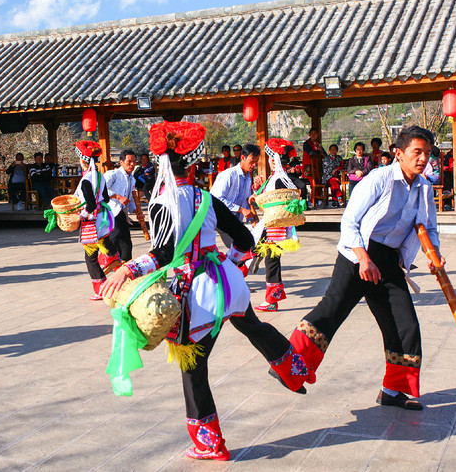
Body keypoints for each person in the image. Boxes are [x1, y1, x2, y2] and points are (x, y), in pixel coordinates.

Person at [100, 121, 306, 461]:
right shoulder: (206, 198)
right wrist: (231, 262)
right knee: (251, 325)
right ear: (194, 164)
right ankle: (295, 369)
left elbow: (164, 252)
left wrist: (127, 268)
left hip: (194, 296)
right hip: (227, 282)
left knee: (193, 367)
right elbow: (242, 239)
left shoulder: (163, 202)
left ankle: (210, 443)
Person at [283, 126, 442, 410]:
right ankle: (289, 366)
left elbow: (429, 227)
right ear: (399, 153)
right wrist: (364, 259)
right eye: (417, 152)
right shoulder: (378, 179)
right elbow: (349, 221)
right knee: (333, 310)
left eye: (427, 154)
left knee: (403, 323)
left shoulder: (424, 187)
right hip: (358, 253)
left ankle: (394, 390)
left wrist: (435, 255)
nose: (423, 159)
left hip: (390, 260)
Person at [249, 138, 305, 311]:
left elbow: (273, 201)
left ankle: (270, 300)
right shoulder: (278, 177)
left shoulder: (279, 178)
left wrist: (257, 198)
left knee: (268, 259)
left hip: (274, 225)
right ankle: (271, 298)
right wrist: (258, 189)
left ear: (275, 160)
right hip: (272, 224)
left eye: (270, 158)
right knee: (267, 258)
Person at [73, 140, 120, 300]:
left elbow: (90, 205)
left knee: (90, 256)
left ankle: (101, 288)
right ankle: (119, 266)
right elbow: (105, 198)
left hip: (92, 221)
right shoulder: (100, 176)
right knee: (105, 244)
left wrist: (79, 214)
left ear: (82, 161)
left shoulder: (86, 180)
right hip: (104, 219)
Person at [210, 144, 262, 250]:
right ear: (243, 158)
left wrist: (253, 218)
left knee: (249, 246)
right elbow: (216, 200)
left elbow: (246, 200)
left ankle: (233, 265)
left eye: (256, 162)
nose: (254, 165)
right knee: (240, 247)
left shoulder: (248, 177)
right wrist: (241, 209)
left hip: (234, 220)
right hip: (221, 218)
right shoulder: (228, 175)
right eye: (252, 161)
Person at [105, 150, 138, 262]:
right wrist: (118, 196)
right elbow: (101, 190)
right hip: (110, 212)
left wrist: (135, 210)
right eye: (129, 161)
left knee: (126, 243)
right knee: (115, 236)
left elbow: (131, 198)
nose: (132, 164)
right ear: (121, 162)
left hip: (122, 213)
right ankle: (107, 260)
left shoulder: (132, 179)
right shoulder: (113, 174)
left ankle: (125, 265)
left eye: (134, 161)